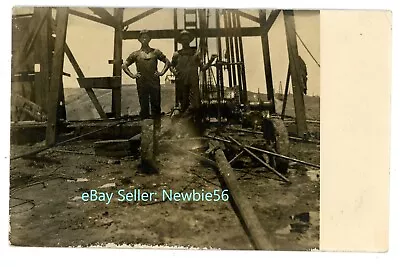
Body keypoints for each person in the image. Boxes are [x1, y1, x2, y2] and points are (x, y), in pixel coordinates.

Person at [122, 29, 170, 130]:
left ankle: (157, 130)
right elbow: (124, 65)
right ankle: (146, 131)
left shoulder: (155, 52)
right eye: (142, 37)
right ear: (139, 39)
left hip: (154, 82)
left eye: (146, 37)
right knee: (144, 106)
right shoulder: (135, 54)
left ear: (149, 39)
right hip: (142, 82)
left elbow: (167, 62)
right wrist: (132, 75)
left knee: (156, 105)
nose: (144, 39)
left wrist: (161, 72)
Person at [170, 30, 218, 118]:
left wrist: (211, 60)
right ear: (181, 41)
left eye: (187, 39)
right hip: (181, 82)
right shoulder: (176, 54)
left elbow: (203, 68)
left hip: (193, 83)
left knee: (195, 105)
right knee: (183, 105)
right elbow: (171, 66)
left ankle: (187, 121)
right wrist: (174, 72)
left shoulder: (196, 54)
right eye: (183, 39)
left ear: (189, 41)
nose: (185, 41)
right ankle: (185, 126)